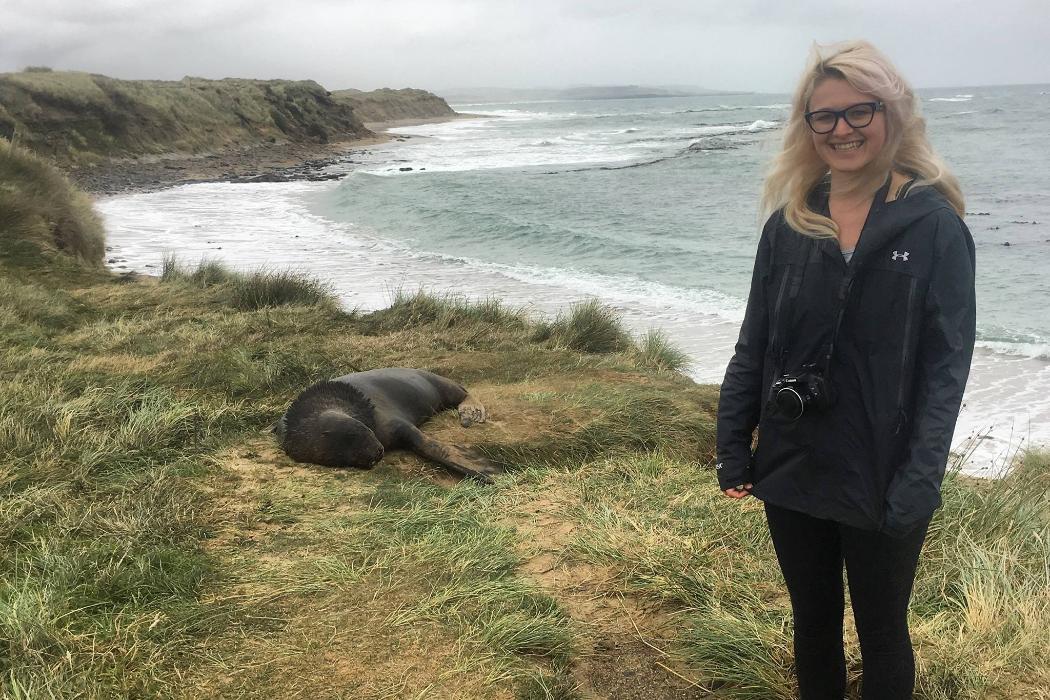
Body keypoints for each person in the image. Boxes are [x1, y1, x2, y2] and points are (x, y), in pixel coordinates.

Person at [715, 40, 976, 699]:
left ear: (893, 114)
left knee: (883, 629)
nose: (842, 129)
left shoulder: (935, 227)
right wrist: (732, 442)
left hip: (885, 470)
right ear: (807, 127)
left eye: (860, 111)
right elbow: (756, 342)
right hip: (796, 461)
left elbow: (946, 372)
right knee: (814, 623)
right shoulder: (789, 225)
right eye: (823, 116)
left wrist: (920, 479)